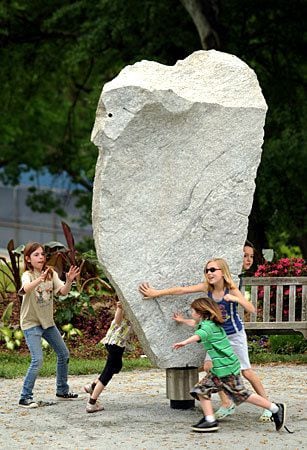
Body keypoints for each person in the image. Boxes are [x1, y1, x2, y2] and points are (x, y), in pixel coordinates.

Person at [139, 257, 272, 422]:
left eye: (213, 270)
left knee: (246, 371)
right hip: (217, 337)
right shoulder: (207, 289)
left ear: (222, 272)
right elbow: (182, 290)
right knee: (210, 366)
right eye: (207, 270)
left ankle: (269, 406)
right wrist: (156, 293)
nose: (209, 273)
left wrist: (237, 299)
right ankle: (226, 403)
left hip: (234, 335)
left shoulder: (231, 290)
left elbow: (251, 309)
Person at [172, 297, 285, 433]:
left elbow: (199, 335)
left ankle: (275, 408)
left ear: (200, 313)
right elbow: (195, 326)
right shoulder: (209, 323)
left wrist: (184, 342)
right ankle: (209, 420)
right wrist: (182, 320)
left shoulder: (207, 327)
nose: (190, 312)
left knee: (241, 394)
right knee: (201, 390)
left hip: (226, 369)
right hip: (220, 368)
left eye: (192, 310)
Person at [18, 242, 80, 408]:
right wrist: (40, 279)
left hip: (47, 323)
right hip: (31, 323)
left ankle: (62, 390)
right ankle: (25, 397)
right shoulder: (28, 275)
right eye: (36, 255)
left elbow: (63, 292)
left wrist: (68, 281)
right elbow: (26, 288)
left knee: (63, 354)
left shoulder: (51, 273)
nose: (41, 257)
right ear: (28, 259)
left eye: (42, 254)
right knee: (37, 360)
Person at [84, 300, 131, 413]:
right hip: (115, 344)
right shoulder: (122, 307)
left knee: (117, 366)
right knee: (107, 374)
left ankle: (93, 385)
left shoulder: (131, 309)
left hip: (115, 344)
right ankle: (92, 403)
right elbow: (118, 321)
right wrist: (119, 308)